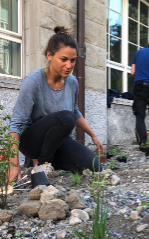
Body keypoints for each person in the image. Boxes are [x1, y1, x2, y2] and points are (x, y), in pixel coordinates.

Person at [8, 26, 104, 184]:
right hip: (31, 141)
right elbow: (16, 123)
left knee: (94, 166)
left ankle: (42, 163)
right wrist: (13, 163)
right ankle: (41, 167)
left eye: (73, 60)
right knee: (66, 118)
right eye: (64, 59)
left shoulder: (72, 82)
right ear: (50, 55)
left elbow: (75, 111)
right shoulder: (33, 81)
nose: (69, 65)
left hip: (56, 142)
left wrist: (93, 135)